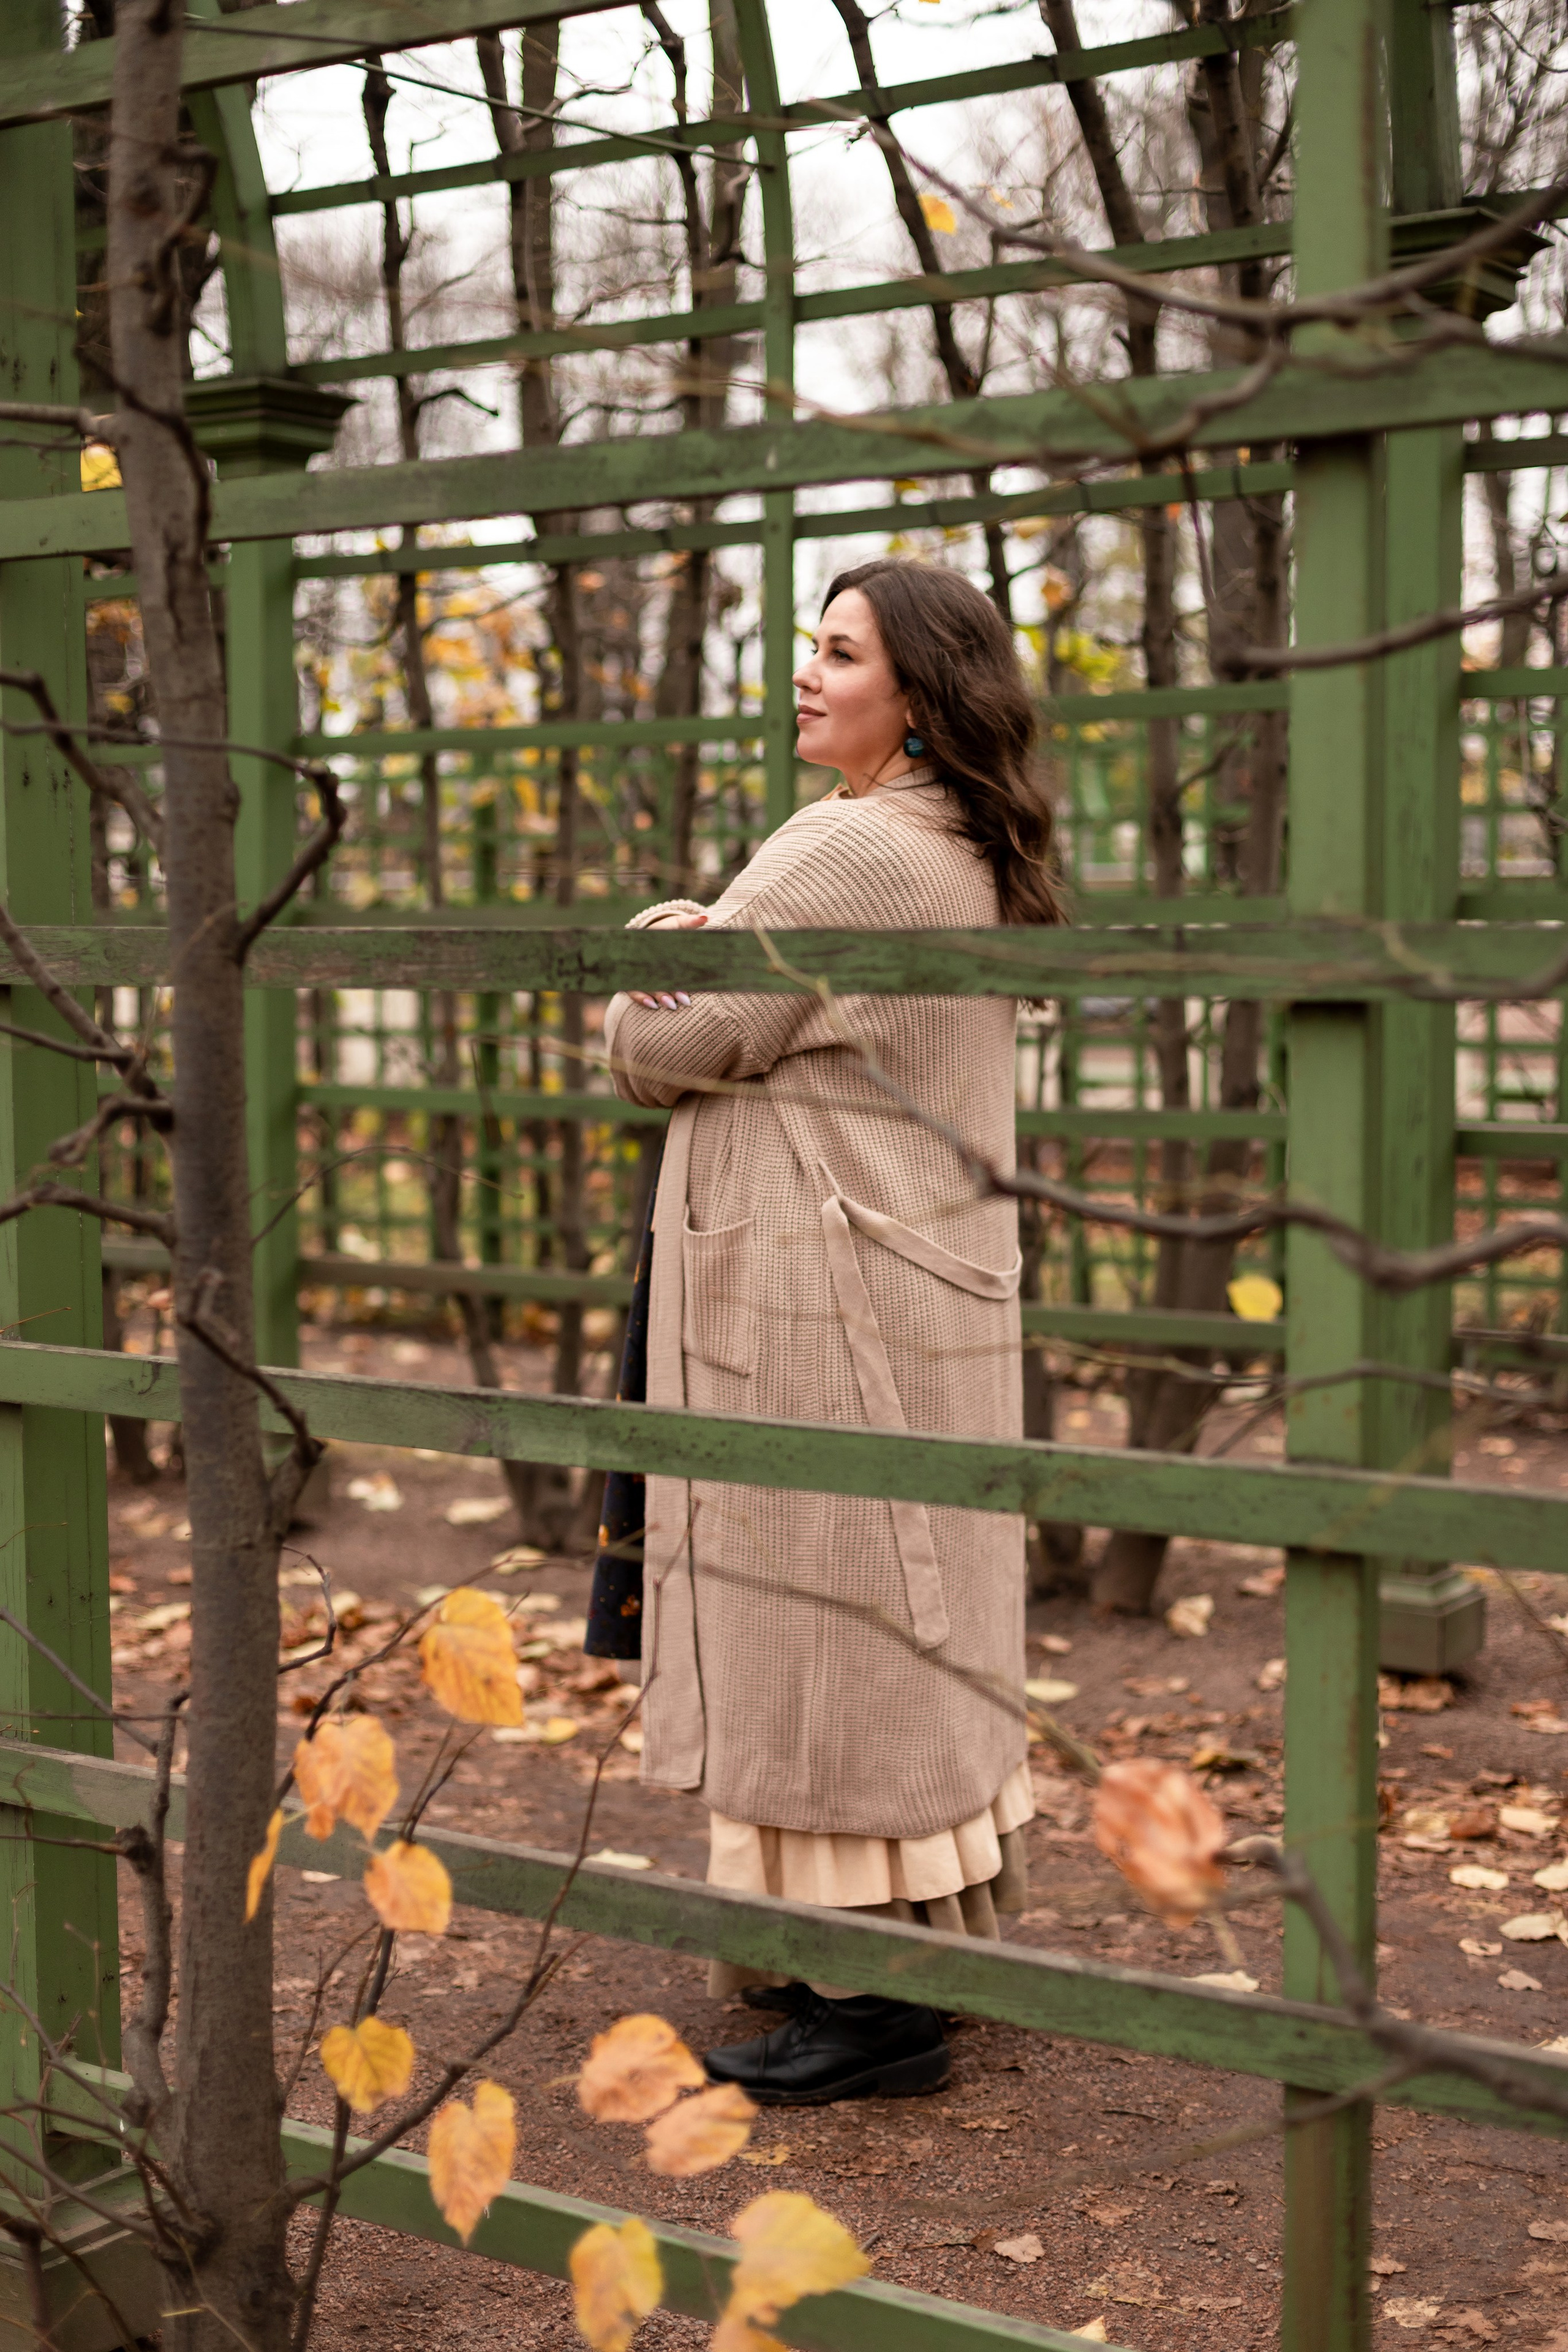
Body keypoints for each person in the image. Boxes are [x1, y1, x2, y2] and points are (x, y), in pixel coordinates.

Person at [594, 557, 1062, 2103]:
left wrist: (662, 955)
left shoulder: (849, 848)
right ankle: (900, 1945)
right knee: (899, 1617)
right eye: (808, 645)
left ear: (918, 698)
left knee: (823, 1628)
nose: (806, 674)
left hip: (823, 1297)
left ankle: (865, 2009)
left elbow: (672, 1043)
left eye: (840, 653)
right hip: (900, 1282)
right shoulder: (949, 842)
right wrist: (712, 934)